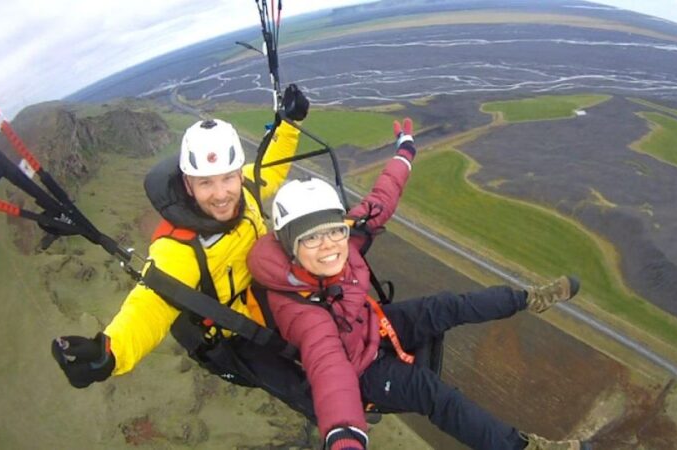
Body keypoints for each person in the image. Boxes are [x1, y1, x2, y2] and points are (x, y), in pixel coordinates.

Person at [246, 118, 591, 450]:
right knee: (432, 393)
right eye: (312, 239)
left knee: (445, 306)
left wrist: (404, 153)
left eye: (334, 230)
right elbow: (329, 368)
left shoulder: (345, 240)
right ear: (291, 247)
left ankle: (531, 298)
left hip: (370, 325)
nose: (328, 246)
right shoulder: (301, 309)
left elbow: (381, 200)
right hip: (359, 369)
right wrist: (345, 437)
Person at [51, 85, 316, 416]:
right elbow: (150, 304)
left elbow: (270, 170)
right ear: (189, 186)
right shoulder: (179, 248)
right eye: (206, 183)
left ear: (237, 174)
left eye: (227, 179)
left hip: (267, 297)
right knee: (308, 392)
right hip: (237, 338)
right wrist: (109, 352)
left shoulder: (244, 190)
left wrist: (290, 123)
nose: (220, 194)